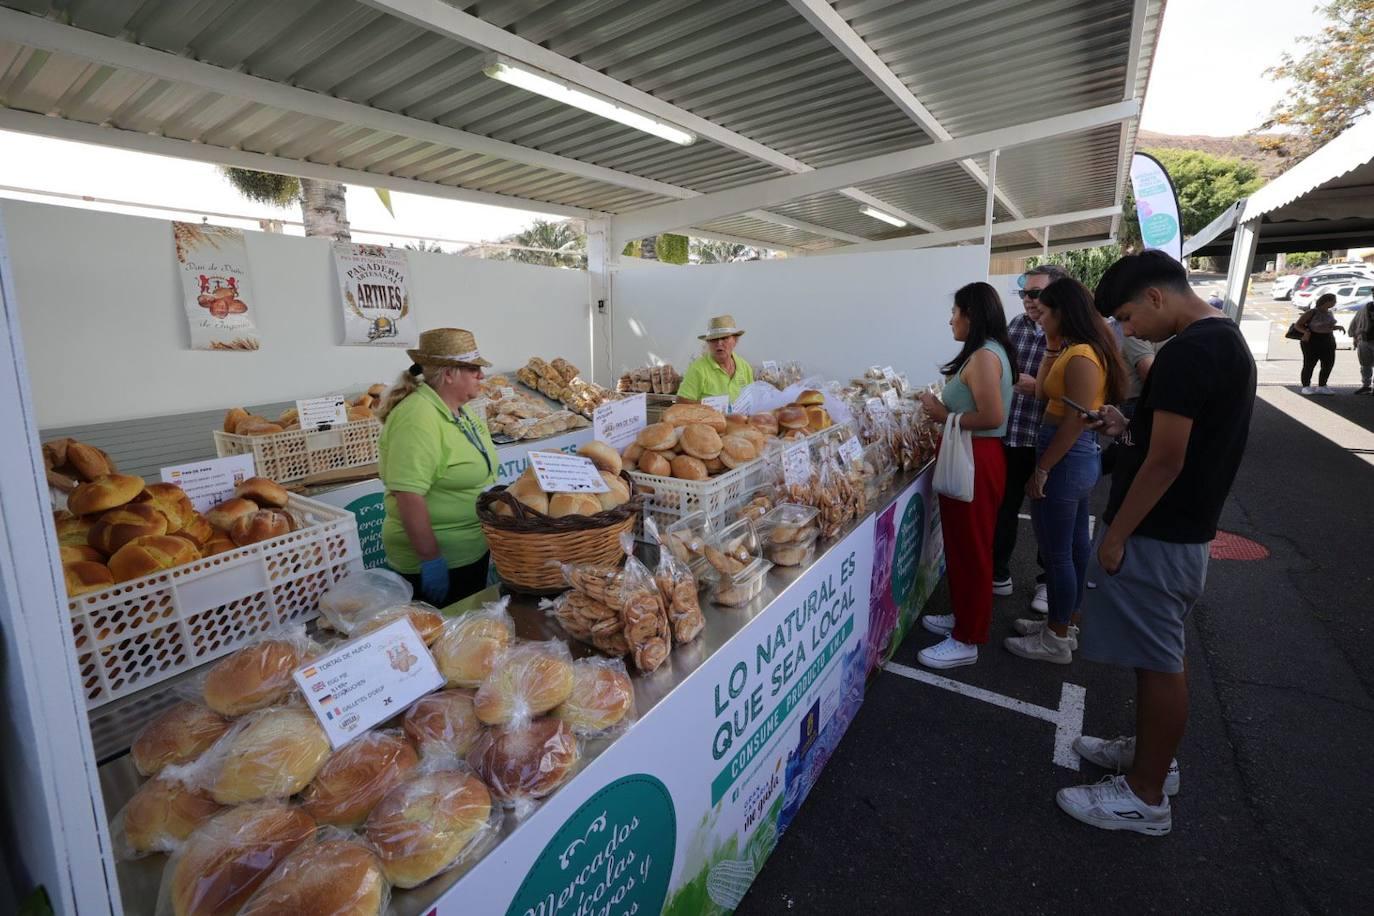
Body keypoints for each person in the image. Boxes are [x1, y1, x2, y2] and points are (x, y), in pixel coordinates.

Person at [1055, 251, 1256, 836]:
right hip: (1180, 529)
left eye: (1126, 316)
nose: (1125, 330)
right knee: (1156, 654)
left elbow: (1167, 461)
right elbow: (1173, 439)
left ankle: (1144, 796)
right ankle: (1149, 758)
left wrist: (1116, 535)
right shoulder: (1223, 339)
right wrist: (1127, 427)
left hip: (1159, 533)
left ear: (1157, 297)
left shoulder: (1188, 352)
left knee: (1161, 661)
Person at [1004, 278, 1128, 665]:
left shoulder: (1082, 357)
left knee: (1057, 552)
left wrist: (1041, 469)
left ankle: (1056, 637)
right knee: (1072, 548)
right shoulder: (1070, 350)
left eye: (1045, 313)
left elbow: (1074, 420)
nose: (1038, 319)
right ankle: (1064, 623)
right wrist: (1050, 346)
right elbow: (1042, 393)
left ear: (1064, 313)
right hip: (1067, 453)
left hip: (1065, 454)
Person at [916, 282, 1016, 669]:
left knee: (973, 548)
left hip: (977, 458)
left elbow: (993, 417)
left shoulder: (986, 357)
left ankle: (968, 638)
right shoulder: (984, 353)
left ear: (971, 315)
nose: (950, 320)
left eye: (955, 312)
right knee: (960, 544)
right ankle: (962, 616)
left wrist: (944, 416)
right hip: (970, 455)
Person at [376, 328, 499, 607]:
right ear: (448, 374)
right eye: (474, 369)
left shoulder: (456, 409)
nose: (481, 375)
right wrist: (431, 560)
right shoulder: (417, 418)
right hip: (438, 561)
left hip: (469, 551)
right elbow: (408, 496)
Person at [993, 265, 1067, 615]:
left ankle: (1045, 583)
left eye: (1036, 294)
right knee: (1004, 508)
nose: (1028, 300)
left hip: (1047, 440)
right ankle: (998, 572)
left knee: (1047, 516)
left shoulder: (1070, 338)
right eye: (1024, 293)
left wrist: (1036, 388)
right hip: (1011, 434)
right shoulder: (1016, 326)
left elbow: (1076, 399)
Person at [677, 315, 755, 402]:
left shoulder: (745, 367)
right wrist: (709, 409)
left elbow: (751, 400)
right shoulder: (698, 369)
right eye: (714, 339)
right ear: (708, 343)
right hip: (709, 416)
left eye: (724, 338)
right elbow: (681, 401)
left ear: (735, 340)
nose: (719, 343)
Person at [1296, 293, 1343, 395]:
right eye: (1333, 301)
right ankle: (1306, 386)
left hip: (1328, 339)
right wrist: (1306, 332)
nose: (1335, 303)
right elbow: (1298, 325)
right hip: (1312, 340)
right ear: (1326, 301)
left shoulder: (1330, 313)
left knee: (1328, 363)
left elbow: (1328, 326)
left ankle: (1322, 385)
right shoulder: (1312, 312)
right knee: (1309, 363)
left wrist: (1337, 327)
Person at [1348, 298, 1374, 395]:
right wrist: (1354, 337)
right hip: (1364, 340)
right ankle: (1366, 386)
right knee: (1365, 365)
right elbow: (1356, 322)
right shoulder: (1366, 307)